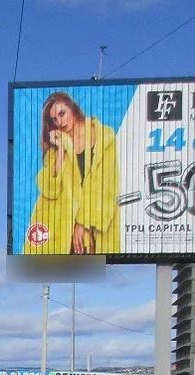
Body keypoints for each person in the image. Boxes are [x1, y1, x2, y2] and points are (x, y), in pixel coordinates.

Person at [24, 91, 121, 255]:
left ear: (73, 108)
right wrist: (61, 150)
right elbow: (49, 188)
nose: (60, 122)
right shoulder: (56, 147)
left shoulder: (104, 136)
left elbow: (107, 185)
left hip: (96, 223)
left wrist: (83, 223)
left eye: (62, 114)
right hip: (62, 228)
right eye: (54, 119)